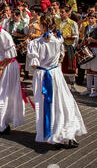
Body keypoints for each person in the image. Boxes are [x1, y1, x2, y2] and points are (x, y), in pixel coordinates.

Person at [27, 14, 87, 148]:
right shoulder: (59, 39)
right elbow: (61, 56)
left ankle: (51, 133)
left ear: (42, 26)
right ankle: (65, 132)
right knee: (62, 103)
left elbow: (34, 65)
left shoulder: (34, 44)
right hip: (56, 74)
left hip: (42, 75)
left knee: (46, 104)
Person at [0, 11, 25, 135]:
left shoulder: (3, 34)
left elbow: (12, 54)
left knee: (3, 94)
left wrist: (1, 67)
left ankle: (2, 125)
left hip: (8, 66)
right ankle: (2, 121)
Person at [79, 13, 97, 97]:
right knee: (88, 70)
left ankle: (96, 90)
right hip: (88, 50)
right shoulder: (87, 27)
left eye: (92, 18)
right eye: (89, 18)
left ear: (96, 19)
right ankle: (88, 89)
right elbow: (85, 38)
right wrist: (80, 44)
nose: (90, 20)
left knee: (95, 70)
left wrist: (93, 40)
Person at [55, 5, 79, 92]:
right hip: (58, 46)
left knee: (70, 66)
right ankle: (61, 85)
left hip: (68, 46)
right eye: (60, 12)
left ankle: (72, 85)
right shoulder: (57, 21)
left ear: (68, 13)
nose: (61, 14)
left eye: (62, 12)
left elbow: (76, 36)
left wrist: (68, 37)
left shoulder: (72, 23)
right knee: (59, 65)